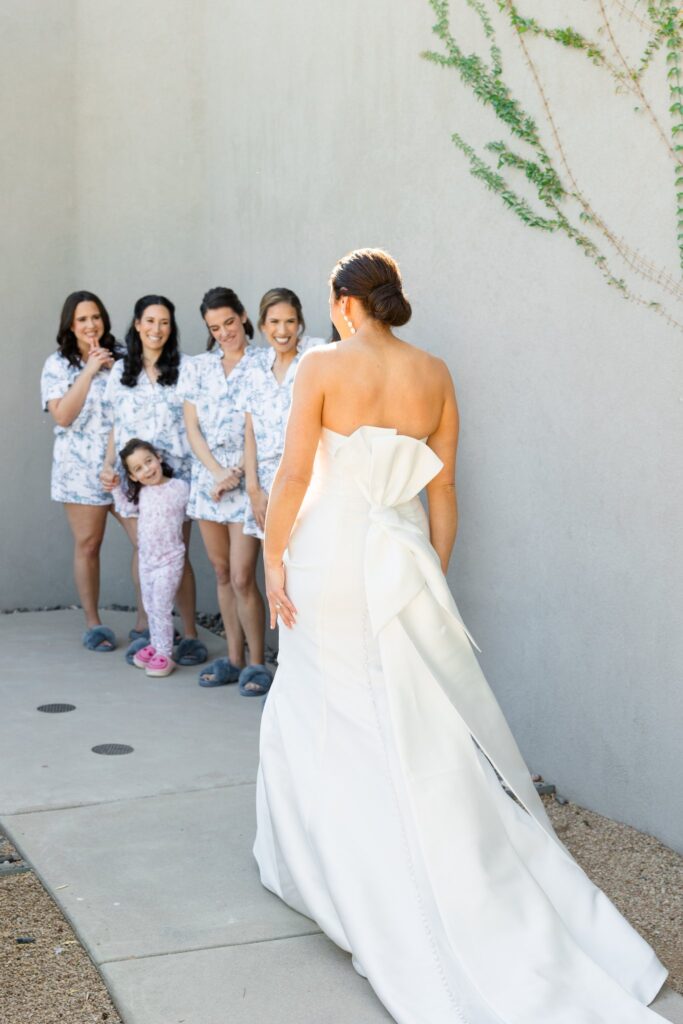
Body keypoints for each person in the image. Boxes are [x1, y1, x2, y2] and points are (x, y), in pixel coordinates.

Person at [254, 249, 667, 1023]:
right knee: (412, 718)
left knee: (328, 710)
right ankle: (457, 866)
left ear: (345, 302)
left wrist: (271, 559)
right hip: (400, 558)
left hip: (330, 559)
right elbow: (441, 489)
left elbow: (293, 477)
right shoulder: (434, 373)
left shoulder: (319, 366)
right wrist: (429, 576)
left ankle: (345, 877)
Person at [100, 295, 206, 668]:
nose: (156, 329)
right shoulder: (120, 371)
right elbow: (114, 424)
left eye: (164, 322)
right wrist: (109, 464)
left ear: (170, 327)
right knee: (145, 551)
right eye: (149, 321)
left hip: (174, 477)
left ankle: (190, 634)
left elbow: (196, 422)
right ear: (137, 324)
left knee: (177, 553)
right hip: (136, 480)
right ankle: (150, 628)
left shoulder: (187, 368)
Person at [179, 287, 270, 694]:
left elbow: (266, 426)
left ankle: (257, 662)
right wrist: (217, 472)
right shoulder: (197, 368)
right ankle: (232, 658)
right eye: (215, 328)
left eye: (229, 323)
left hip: (248, 481)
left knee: (242, 575)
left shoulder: (265, 363)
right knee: (219, 571)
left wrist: (236, 473)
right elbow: (191, 428)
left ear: (244, 317)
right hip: (209, 483)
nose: (224, 333)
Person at [40, 291, 121, 652]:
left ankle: (145, 625)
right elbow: (63, 415)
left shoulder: (121, 359)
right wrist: (89, 370)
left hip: (124, 467)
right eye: (82, 319)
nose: (91, 325)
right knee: (89, 545)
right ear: (70, 326)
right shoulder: (57, 365)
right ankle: (93, 623)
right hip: (78, 469)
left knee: (149, 543)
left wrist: (110, 367)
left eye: (96, 317)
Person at [240, 287, 324, 543]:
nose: (283, 330)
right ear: (263, 325)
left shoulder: (315, 357)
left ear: (300, 324)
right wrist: (254, 490)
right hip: (265, 484)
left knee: (303, 565)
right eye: (274, 322)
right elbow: (250, 432)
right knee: (272, 572)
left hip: (308, 480)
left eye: (290, 321)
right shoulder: (254, 366)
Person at [113, 439, 190, 678]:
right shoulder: (143, 493)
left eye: (148, 461)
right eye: (138, 468)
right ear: (133, 477)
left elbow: (196, 506)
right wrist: (116, 488)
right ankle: (156, 645)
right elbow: (125, 510)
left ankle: (165, 653)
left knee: (162, 606)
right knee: (150, 605)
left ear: (158, 457)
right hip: (147, 561)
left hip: (170, 559)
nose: (147, 469)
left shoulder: (179, 487)